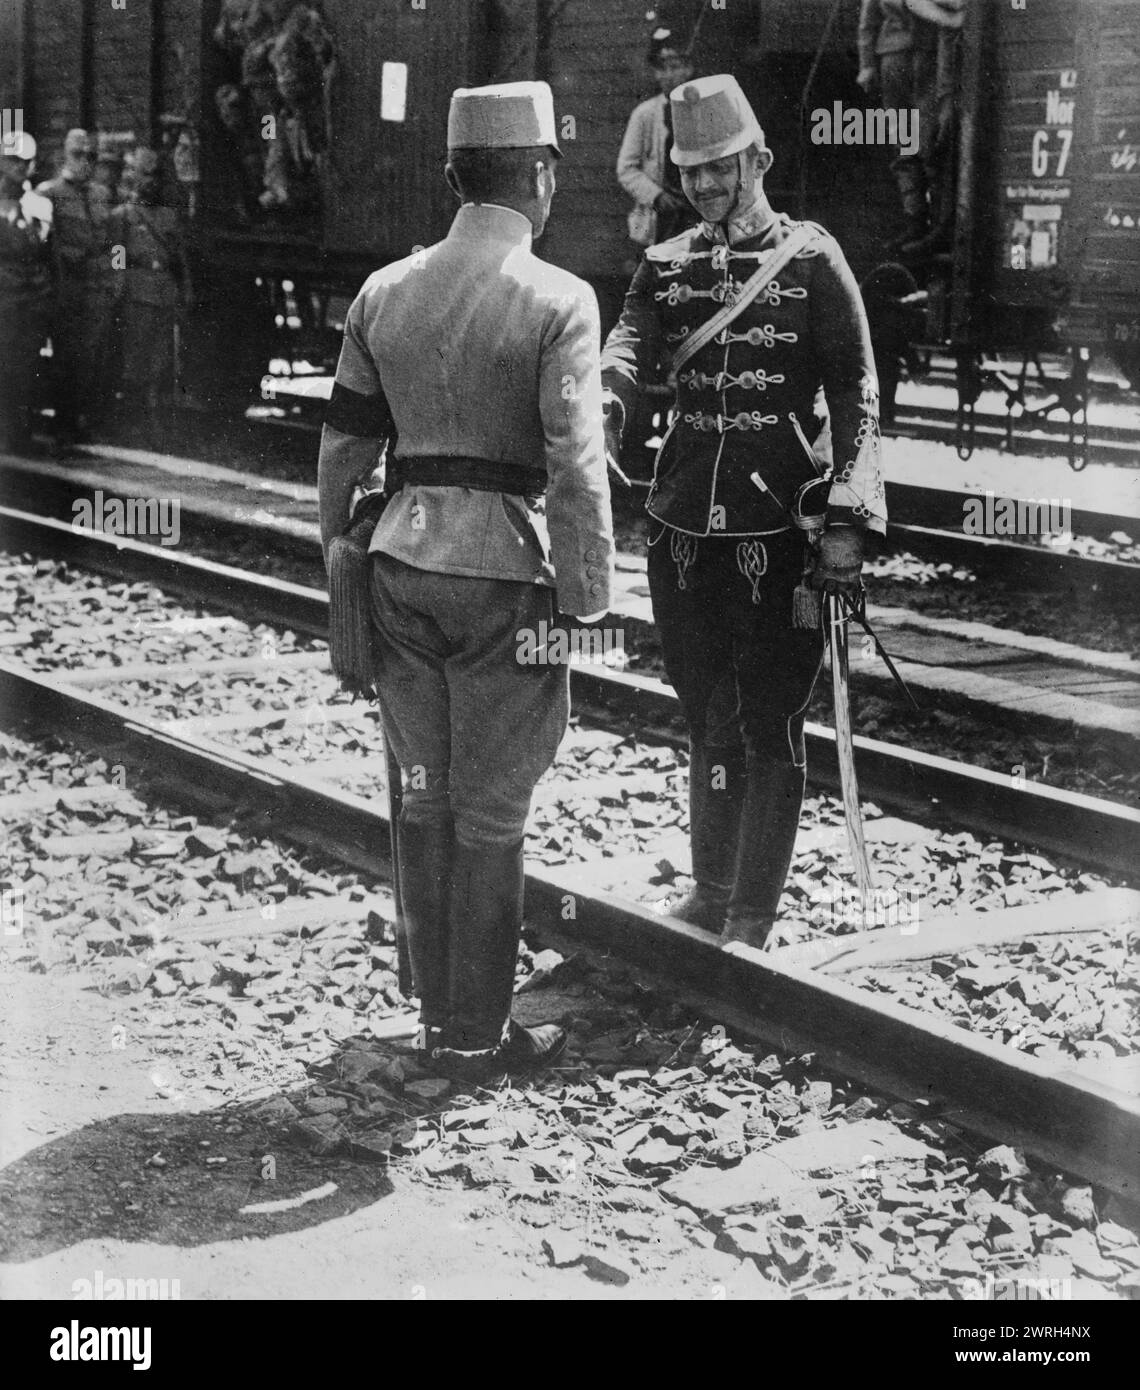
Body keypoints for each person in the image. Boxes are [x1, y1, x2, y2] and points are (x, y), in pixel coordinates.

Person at [317, 81, 615, 1078]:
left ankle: (434, 1017)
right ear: (538, 176)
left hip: (400, 567)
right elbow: (575, 463)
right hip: (502, 580)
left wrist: (340, 557)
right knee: (492, 809)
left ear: (451, 174)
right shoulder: (560, 300)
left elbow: (342, 448)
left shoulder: (384, 292)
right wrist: (585, 601)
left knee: (420, 791)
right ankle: (479, 1036)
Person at [601, 75, 887, 950]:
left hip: (781, 538)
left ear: (758, 159)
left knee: (770, 723)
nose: (708, 187)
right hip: (683, 532)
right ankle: (710, 889)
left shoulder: (811, 260)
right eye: (692, 174)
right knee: (706, 716)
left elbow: (858, 389)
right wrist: (606, 397)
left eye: (724, 169)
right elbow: (628, 341)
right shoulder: (666, 265)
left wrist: (848, 516)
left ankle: (753, 915)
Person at [36, 128, 117, 442]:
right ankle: (63, 420)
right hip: (65, 287)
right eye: (77, 154)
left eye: (90, 156)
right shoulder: (48, 193)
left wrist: (115, 274)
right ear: (63, 156)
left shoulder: (101, 195)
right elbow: (41, 246)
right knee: (66, 356)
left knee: (92, 356)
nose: (85, 161)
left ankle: (82, 419)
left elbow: (115, 243)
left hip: (96, 287)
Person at [109, 149, 191, 419]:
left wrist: (185, 289)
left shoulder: (168, 216)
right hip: (138, 290)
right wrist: (120, 283)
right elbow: (117, 253)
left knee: (162, 353)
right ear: (133, 176)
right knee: (137, 351)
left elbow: (179, 257)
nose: (151, 181)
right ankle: (135, 410)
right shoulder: (124, 214)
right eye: (145, 174)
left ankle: (156, 409)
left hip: (164, 289)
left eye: (155, 175)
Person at [856, 0, 940, 253]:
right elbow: (868, 21)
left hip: (930, 55)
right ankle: (915, 222)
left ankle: (936, 225)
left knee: (930, 142)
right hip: (894, 59)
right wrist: (867, 64)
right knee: (905, 143)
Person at [617, 28, 697, 248]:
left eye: (675, 67)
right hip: (660, 216)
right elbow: (626, 169)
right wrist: (657, 196)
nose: (668, 75)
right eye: (662, 68)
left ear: (688, 69)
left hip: (696, 211)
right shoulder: (645, 114)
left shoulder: (700, 109)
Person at [0, 130, 53, 451]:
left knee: (27, 366)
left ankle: (20, 435)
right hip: (3, 297)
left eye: (24, 162)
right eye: (12, 160)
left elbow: (50, 252)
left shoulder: (38, 204)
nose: (19, 167)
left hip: (32, 298)